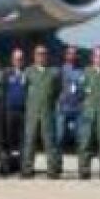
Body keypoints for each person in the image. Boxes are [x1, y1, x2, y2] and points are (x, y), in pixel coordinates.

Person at [19, 44, 60, 179]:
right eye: (38, 54)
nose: (41, 56)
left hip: (47, 111)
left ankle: (53, 169)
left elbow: (57, 91)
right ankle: (27, 169)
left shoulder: (53, 73)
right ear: (34, 56)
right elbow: (23, 90)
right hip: (32, 111)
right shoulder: (28, 72)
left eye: (44, 54)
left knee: (49, 140)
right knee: (29, 140)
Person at [77, 47, 100, 179]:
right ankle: (84, 169)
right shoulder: (86, 72)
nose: (99, 59)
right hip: (89, 110)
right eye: (97, 56)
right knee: (86, 140)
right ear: (93, 58)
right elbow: (80, 91)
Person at [55, 45, 86, 167]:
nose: (72, 56)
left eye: (74, 53)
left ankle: (82, 167)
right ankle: (56, 165)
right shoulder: (60, 71)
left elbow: (85, 88)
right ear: (66, 55)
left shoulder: (82, 71)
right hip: (63, 108)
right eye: (69, 53)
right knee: (59, 137)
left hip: (78, 108)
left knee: (81, 138)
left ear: (77, 56)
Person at [2, 47, 28, 174]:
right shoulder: (7, 73)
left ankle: (22, 165)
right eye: (16, 59)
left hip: (23, 110)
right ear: (12, 60)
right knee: (9, 139)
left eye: (20, 59)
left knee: (22, 139)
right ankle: (7, 165)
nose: (18, 61)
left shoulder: (27, 73)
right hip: (9, 110)